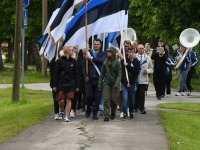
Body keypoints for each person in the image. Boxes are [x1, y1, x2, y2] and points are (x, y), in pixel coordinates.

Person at [53, 46, 80, 122]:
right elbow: (56, 74)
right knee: (61, 100)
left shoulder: (74, 62)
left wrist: (77, 85)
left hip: (71, 84)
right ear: (66, 51)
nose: (73, 51)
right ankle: (62, 110)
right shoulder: (59, 61)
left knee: (69, 99)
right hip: (61, 83)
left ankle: (67, 116)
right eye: (71, 50)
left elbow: (76, 74)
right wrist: (54, 85)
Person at [82, 38, 106, 120]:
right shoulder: (88, 53)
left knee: (97, 97)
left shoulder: (103, 53)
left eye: (97, 44)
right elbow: (83, 66)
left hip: (99, 79)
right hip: (89, 79)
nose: (96, 45)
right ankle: (88, 109)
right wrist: (85, 76)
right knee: (89, 96)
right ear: (93, 44)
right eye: (95, 44)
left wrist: (91, 58)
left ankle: (95, 114)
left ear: (100, 45)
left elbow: (101, 61)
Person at [98, 46, 122, 122]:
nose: (107, 53)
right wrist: (100, 82)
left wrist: (117, 83)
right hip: (107, 83)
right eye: (107, 51)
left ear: (113, 53)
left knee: (114, 100)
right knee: (106, 99)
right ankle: (107, 115)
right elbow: (102, 73)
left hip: (115, 83)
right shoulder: (105, 62)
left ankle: (113, 112)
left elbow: (119, 74)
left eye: (109, 52)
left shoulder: (117, 62)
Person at [121, 49, 140, 119]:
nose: (131, 53)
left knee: (132, 100)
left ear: (134, 53)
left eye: (132, 52)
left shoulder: (137, 62)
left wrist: (128, 66)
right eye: (129, 52)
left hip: (132, 84)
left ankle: (131, 112)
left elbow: (135, 71)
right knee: (125, 99)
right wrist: (126, 82)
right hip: (124, 84)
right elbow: (122, 73)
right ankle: (125, 113)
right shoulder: (124, 61)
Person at [135, 44, 153, 114]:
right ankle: (135, 107)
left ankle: (141, 108)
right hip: (136, 78)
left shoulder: (148, 58)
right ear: (137, 49)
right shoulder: (135, 56)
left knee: (142, 94)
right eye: (139, 48)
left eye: (142, 48)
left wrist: (147, 71)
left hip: (144, 79)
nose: (141, 50)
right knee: (136, 93)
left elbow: (151, 68)